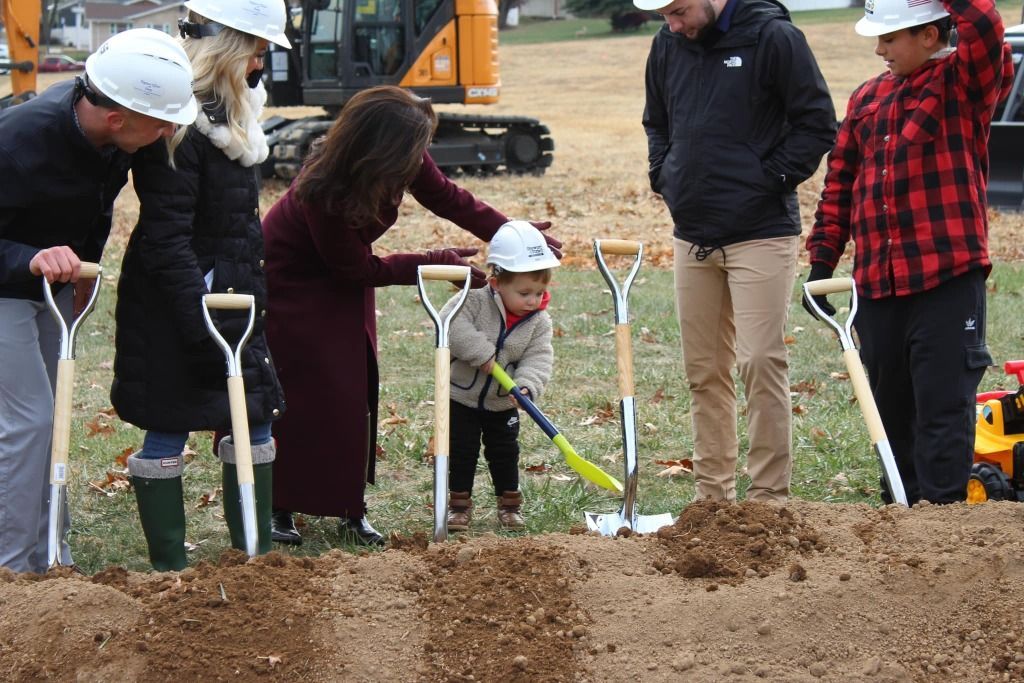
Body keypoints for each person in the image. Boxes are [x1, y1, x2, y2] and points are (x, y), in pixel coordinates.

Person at [259, 86, 560, 546]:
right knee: (299, 396)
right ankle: (279, 505)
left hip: (343, 283)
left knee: (352, 392)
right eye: (418, 144)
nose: (424, 154)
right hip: (293, 286)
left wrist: (512, 235)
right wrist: (431, 260)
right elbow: (356, 267)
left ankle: (346, 505)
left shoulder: (405, 160)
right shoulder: (324, 189)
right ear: (381, 147)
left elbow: (448, 197)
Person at [0, 29, 196, 574]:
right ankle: (12, 571)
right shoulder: (18, 144)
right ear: (118, 118)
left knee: (55, 415)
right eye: (161, 123)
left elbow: (96, 206)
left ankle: (50, 553)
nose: (168, 131)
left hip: (52, 285)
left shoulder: (113, 138)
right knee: (29, 420)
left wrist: (80, 263)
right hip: (6, 288)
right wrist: (31, 259)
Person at [805, 0, 1013, 505]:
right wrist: (822, 262)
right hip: (878, 285)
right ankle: (901, 517)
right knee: (891, 410)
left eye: (890, 38)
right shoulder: (868, 98)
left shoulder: (965, 86)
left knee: (943, 407)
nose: (879, 49)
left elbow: (984, 25)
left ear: (929, 35)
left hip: (947, 278)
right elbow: (841, 186)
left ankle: (942, 524)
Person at [110, 0, 292, 570]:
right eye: (257, 51)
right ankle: (170, 567)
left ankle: (253, 554)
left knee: (253, 416)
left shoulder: (236, 115)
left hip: (233, 299)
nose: (262, 64)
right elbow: (167, 239)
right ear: (229, 49)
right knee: (169, 420)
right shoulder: (180, 129)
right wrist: (199, 323)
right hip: (179, 303)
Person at [635, 0, 836, 502]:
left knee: (760, 360)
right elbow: (655, 121)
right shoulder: (667, 44)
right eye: (664, 16)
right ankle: (712, 496)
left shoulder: (772, 38)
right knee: (703, 370)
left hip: (761, 231)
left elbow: (816, 123)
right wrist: (665, 174)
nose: (672, 25)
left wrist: (766, 180)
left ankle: (768, 497)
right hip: (693, 234)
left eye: (678, 11)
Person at [441, 221, 558, 532]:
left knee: (505, 452)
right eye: (524, 293)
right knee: (462, 450)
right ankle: (458, 506)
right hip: (461, 397)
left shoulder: (538, 322)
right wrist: (481, 353)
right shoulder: (474, 299)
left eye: (539, 292)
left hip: (502, 403)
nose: (533, 300)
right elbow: (448, 323)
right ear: (496, 282)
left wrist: (527, 385)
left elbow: (539, 357)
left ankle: (509, 506)